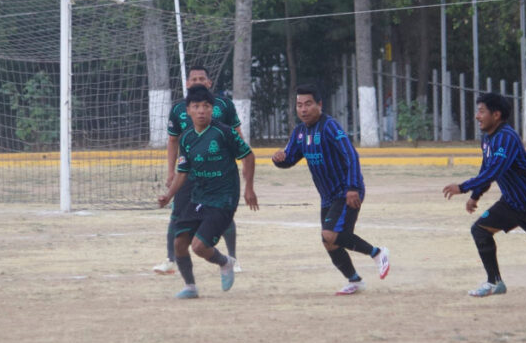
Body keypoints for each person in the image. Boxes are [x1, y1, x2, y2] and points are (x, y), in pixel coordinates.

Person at [443, 93, 526, 297]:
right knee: (480, 230)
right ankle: (494, 282)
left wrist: (463, 187)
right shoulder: (487, 138)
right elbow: (486, 169)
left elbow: (495, 171)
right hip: (511, 204)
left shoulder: (507, 137)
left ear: (496, 115)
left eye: (481, 111)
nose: (477, 116)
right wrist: (475, 195)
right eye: (477, 111)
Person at [272, 84, 390, 295]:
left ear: (319, 104)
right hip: (327, 197)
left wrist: (352, 187)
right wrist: (279, 159)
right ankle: (355, 281)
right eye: (299, 105)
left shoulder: (330, 126)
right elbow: (289, 158)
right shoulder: (299, 133)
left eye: (308, 104)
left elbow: (351, 155)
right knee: (329, 241)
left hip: (346, 191)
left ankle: (378, 253)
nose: (303, 109)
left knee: (330, 234)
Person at [157, 85, 257, 299]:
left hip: (223, 198)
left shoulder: (224, 132)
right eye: (196, 106)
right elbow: (183, 172)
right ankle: (190, 287)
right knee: (179, 243)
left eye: (206, 106)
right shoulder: (186, 138)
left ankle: (225, 262)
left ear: (212, 109)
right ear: (188, 110)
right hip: (199, 196)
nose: (201, 111)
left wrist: (249, 187)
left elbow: (248, 156)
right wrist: (169, 195)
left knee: (199, 246)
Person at [154, 66, 242, 275]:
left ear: (209, 83)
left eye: (202, 78)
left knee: (222, 214)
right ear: (187, 84)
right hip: (188, 173)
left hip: (216, 174)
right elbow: (173, 141)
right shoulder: (179, 110)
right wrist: (171, 171)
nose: (198, 82)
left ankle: (233, 259)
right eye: (193, 79)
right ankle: (170, 260)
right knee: (177, 214)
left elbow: (237, 134)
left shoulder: (224, 105)